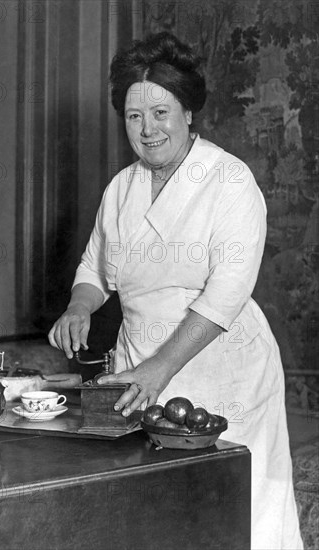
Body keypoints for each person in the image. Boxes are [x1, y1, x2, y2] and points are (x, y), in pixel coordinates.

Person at [49, 32, 303, 550]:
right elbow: (95, 267)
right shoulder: (121, 188)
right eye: (134, 116)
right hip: (141, 364)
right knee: (154, 512)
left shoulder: (230, 182)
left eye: (161, 112)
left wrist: (160, 369)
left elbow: (225, 296)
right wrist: (80, 304)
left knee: (234, 513)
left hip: (220, 366)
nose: (148, 129)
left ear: (189, 113)